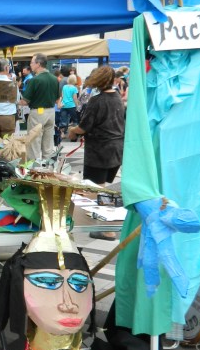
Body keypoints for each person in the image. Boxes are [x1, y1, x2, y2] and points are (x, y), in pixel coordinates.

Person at [67, 66, 125, 239]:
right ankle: (105, 227)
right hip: (116, 149)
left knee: (96, 190)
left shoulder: (97, 100)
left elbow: (84, 127)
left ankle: (107, 229)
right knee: (103, 188)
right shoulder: (117, 98)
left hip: (99, 151)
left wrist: (72, 131)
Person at [19, 53, 59, 162]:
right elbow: (57, 99)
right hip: (51, 112)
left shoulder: (34, 80)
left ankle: (33, 167)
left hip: (38, 112)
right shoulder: (54, 79)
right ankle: (48, 166)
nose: (30, 65)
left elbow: (25, 101)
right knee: (48, 143)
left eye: (32, 62)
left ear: (38, 64)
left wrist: (15, 101)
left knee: (34, 142)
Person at [0, 59, 19, 138]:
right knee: (7, 142)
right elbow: (17, 100)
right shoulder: (13, 83)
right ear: (6, 68)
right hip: (8, 116)